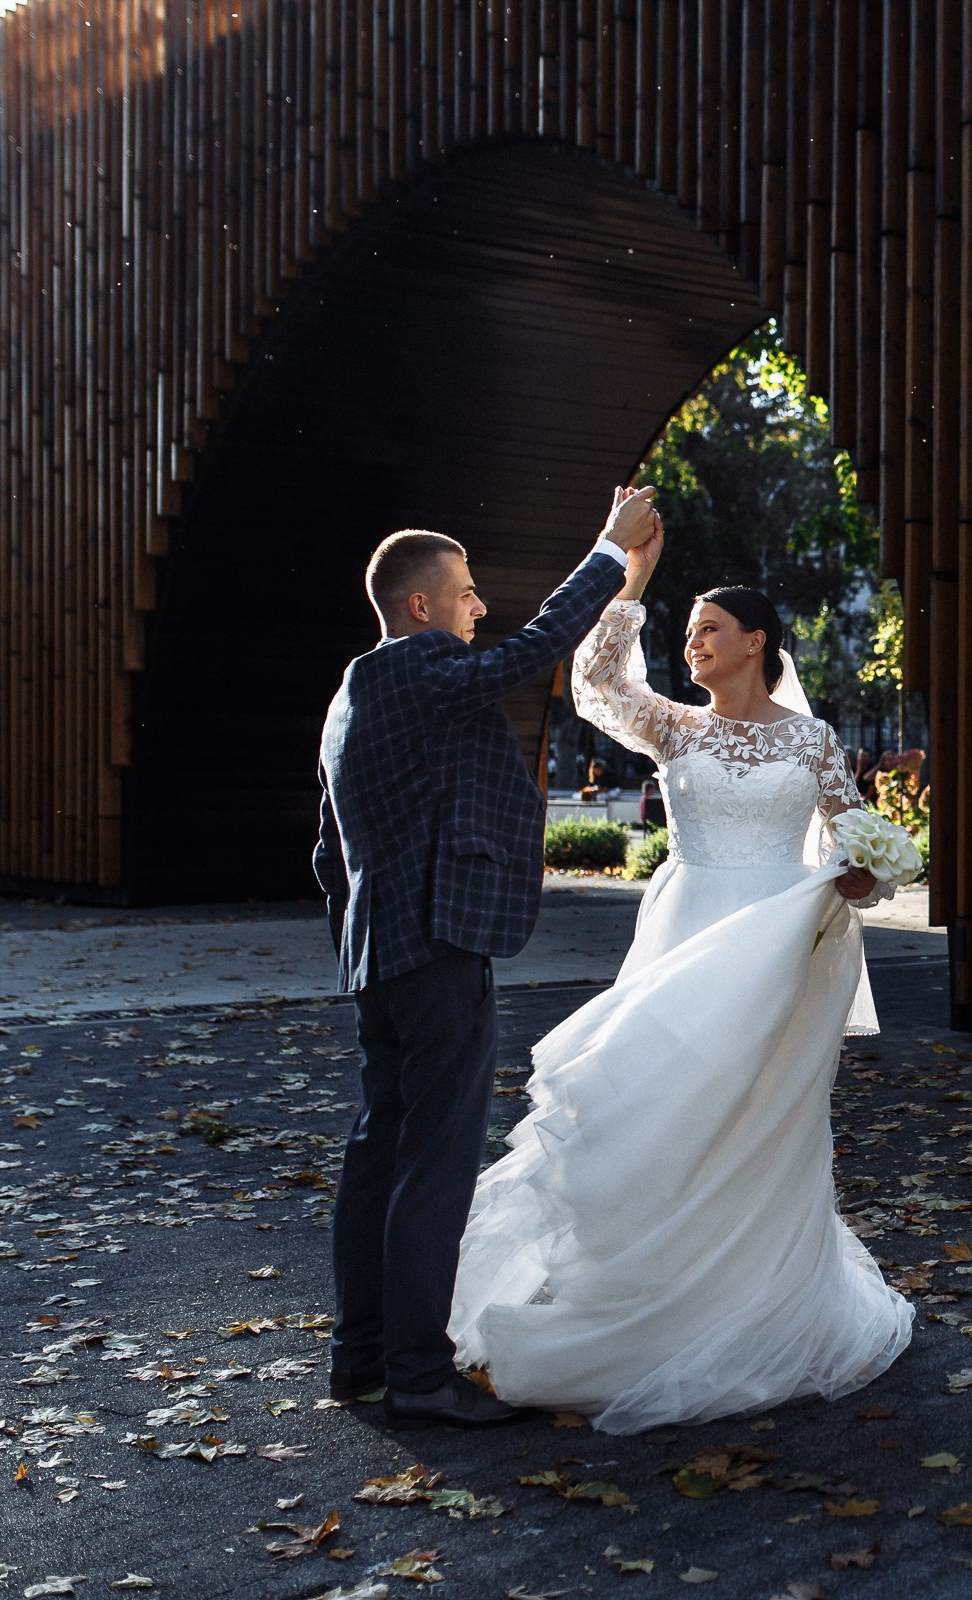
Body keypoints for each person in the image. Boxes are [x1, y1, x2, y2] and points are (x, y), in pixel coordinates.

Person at [448, 523, 914, 1434]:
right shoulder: (672, 724)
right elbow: (594, 686)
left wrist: (870, 875)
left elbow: (859, 845)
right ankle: (644, 1298)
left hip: (777, 946)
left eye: (708, 630)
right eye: (689, 629)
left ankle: (756, 1302)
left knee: (760, 1115)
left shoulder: (816, 741)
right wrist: (632, 583)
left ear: (756, 643)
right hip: (685, 930)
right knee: (658, 1110)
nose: (693, 643)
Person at [313, 486, 663, 1430]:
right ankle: (421, 1375)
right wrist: (604, 551)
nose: (479, 606)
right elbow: (528, 651)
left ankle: (364, 1362)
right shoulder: (420, 669)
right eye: (465, 591)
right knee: (433, 1162)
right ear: (420, 606)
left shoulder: (350, 696)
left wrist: (368, 933)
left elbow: (325, 851)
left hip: (381, 953)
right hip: (437, 946)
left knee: (381, 1152)